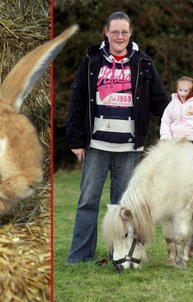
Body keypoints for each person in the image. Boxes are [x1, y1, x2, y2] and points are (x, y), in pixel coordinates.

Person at [65, 11, 169, 263]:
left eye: (124, 32)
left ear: (130, 33)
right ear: (106, 32)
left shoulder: (144, 63)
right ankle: (80, 256)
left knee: (122, 207)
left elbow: (160, 103)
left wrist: (183, 109)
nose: (119, 36)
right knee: (87, 201)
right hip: (97, 146)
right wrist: (77, 140)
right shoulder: (91, 61)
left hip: (129, 148)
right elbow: (77, 102)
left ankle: (119, 256)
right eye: (115, 32)